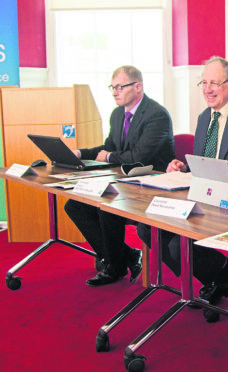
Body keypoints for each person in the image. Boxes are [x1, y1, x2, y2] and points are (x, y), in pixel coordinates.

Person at [136, 57, 228, 320]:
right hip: (203, 195)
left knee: (177, 246)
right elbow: (205, 165)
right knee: (146, 229)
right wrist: (183, 169)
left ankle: (219, 274)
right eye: (204, 83)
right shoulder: (203, 117)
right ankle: (221, 274)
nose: (208, 89)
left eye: (214, 83)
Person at [64, 65, 174, 287]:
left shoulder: (156, 115)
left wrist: (109, 155)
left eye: (120, 87)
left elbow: (139, 157)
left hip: (153, 184)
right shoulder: (117, 114)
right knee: (74, 205)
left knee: (107, 207)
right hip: (124, 181)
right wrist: (80, 153)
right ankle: (126, 256)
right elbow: (109, 147)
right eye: (112, 87)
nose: (115, 92)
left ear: (137, 87)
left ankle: (115, 265)